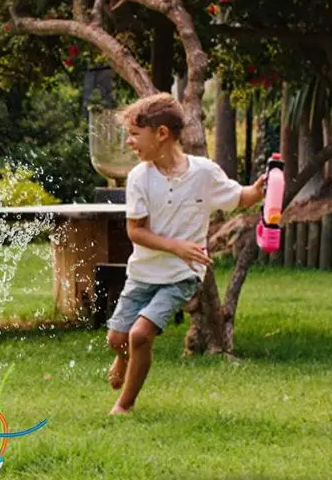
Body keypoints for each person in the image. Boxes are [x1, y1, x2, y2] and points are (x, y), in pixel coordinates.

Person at [106, 92, 263, 415]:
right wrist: (176, 245)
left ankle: (124, 405)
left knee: (139, 335)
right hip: (143, 272)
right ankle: (122, 357)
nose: (129, 142)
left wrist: (260, 190)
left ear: (161, 134)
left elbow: (239, 197)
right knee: (117, 339)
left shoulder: (204, 173)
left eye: (135, 134)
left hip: (182, 274)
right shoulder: (139, 177)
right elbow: (135, 231)